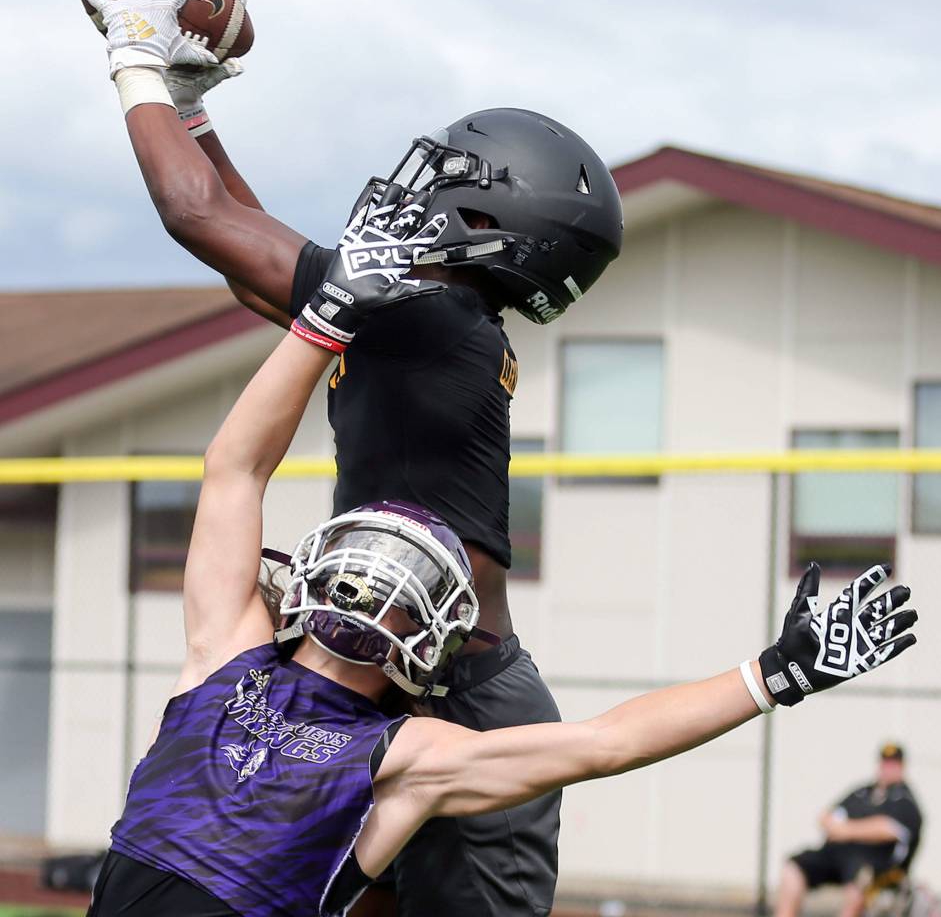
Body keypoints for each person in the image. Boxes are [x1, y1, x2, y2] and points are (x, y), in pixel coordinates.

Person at [83, 212, 918, 917]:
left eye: (387, 580)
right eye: (370, 569)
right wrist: (323, 318)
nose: (374, 588)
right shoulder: (271, 682)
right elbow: (603, 744)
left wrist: (776, 674)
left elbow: (605, 744)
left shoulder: (308, 703)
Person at [76, 0, 623, 917]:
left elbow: (195, 214)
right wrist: (194, 110)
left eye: (451, 174)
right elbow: (258, 269)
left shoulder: (426, 320)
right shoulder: (431, 322)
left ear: (497, 211)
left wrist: (137, 57)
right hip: (399, 680)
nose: (420, 186)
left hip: (453, 697)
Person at [775, 743, 924, 917]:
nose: (888, 768)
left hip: (873, 865)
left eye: (893, 764)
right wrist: (848, 829)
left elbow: (886, 828)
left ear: (902, 767)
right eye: (885, 763)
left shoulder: (905, 801)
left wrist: (846, 831)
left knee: (859, 882)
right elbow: (826, 817)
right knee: (793, 868)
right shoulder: (862, 792)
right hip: (836, 855)